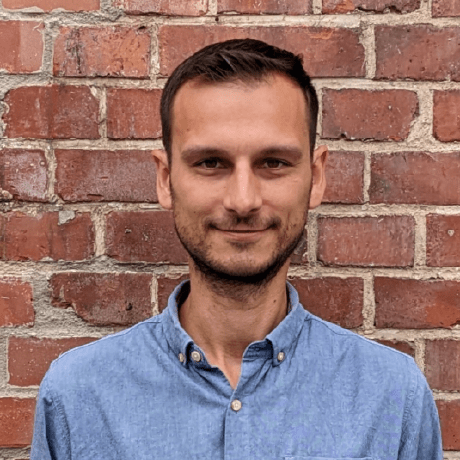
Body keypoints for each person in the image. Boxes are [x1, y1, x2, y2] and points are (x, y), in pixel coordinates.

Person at [31, 39, 442, 459]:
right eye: (210, 163)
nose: (243, 201)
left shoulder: (392, 397)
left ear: (316, 177)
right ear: (165, 178)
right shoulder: (77, 397)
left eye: (274, 162)